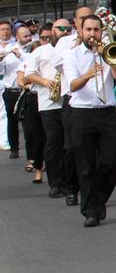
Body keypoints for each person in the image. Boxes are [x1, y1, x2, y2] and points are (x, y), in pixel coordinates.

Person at [62, 15, 116, 227]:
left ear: (101, 31)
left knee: (112, 161)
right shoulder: (72, 55)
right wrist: (89, 74)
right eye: (88, 30)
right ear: (81, 31)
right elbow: (72, 85)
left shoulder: (110, 50)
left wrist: (108, 58)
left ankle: (98, 201)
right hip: (81, 113)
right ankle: (91, 210)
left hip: (107, 112)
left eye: (96, 30)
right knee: (85, 165)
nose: (92, 34)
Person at [29, 19, 71, 195]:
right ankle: (55, 183)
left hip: (69, 100)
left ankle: (70, 182)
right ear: (52, 30)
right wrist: (45, 81)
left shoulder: (72, 48)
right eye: (59, 28)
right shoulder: (40, 51)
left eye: (67, 28)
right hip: (49, 102)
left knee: (69, 143)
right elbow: (30, 74)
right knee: (53, 141)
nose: (63, 31)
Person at [56, 6, 92, 207]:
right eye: (82, 18)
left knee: (94, 152)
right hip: (73, 100)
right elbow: (55, 64)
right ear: (76, 22)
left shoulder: (102, 39)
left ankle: (91, 189)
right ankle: (71, 188)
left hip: (97, 104)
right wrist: (76, 47)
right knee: (71, 147)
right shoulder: (64, 42)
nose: (86, 21)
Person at [16, 28, 47, 182]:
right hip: (33, 98)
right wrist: (35, 80)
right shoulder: (27, 61)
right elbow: (22, 80)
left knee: (51, 136)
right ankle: (38, 169)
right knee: (35, 135)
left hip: (49, 99)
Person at [1, 19, 23, 157]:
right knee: (5, 115)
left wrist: (19, 55)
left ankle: (8, 142)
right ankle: (9, 143)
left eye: (7, 29)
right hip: (4, 83)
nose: (5, 32)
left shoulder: (17, 46)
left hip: (15, 85)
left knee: (10, 116)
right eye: (2, 29)